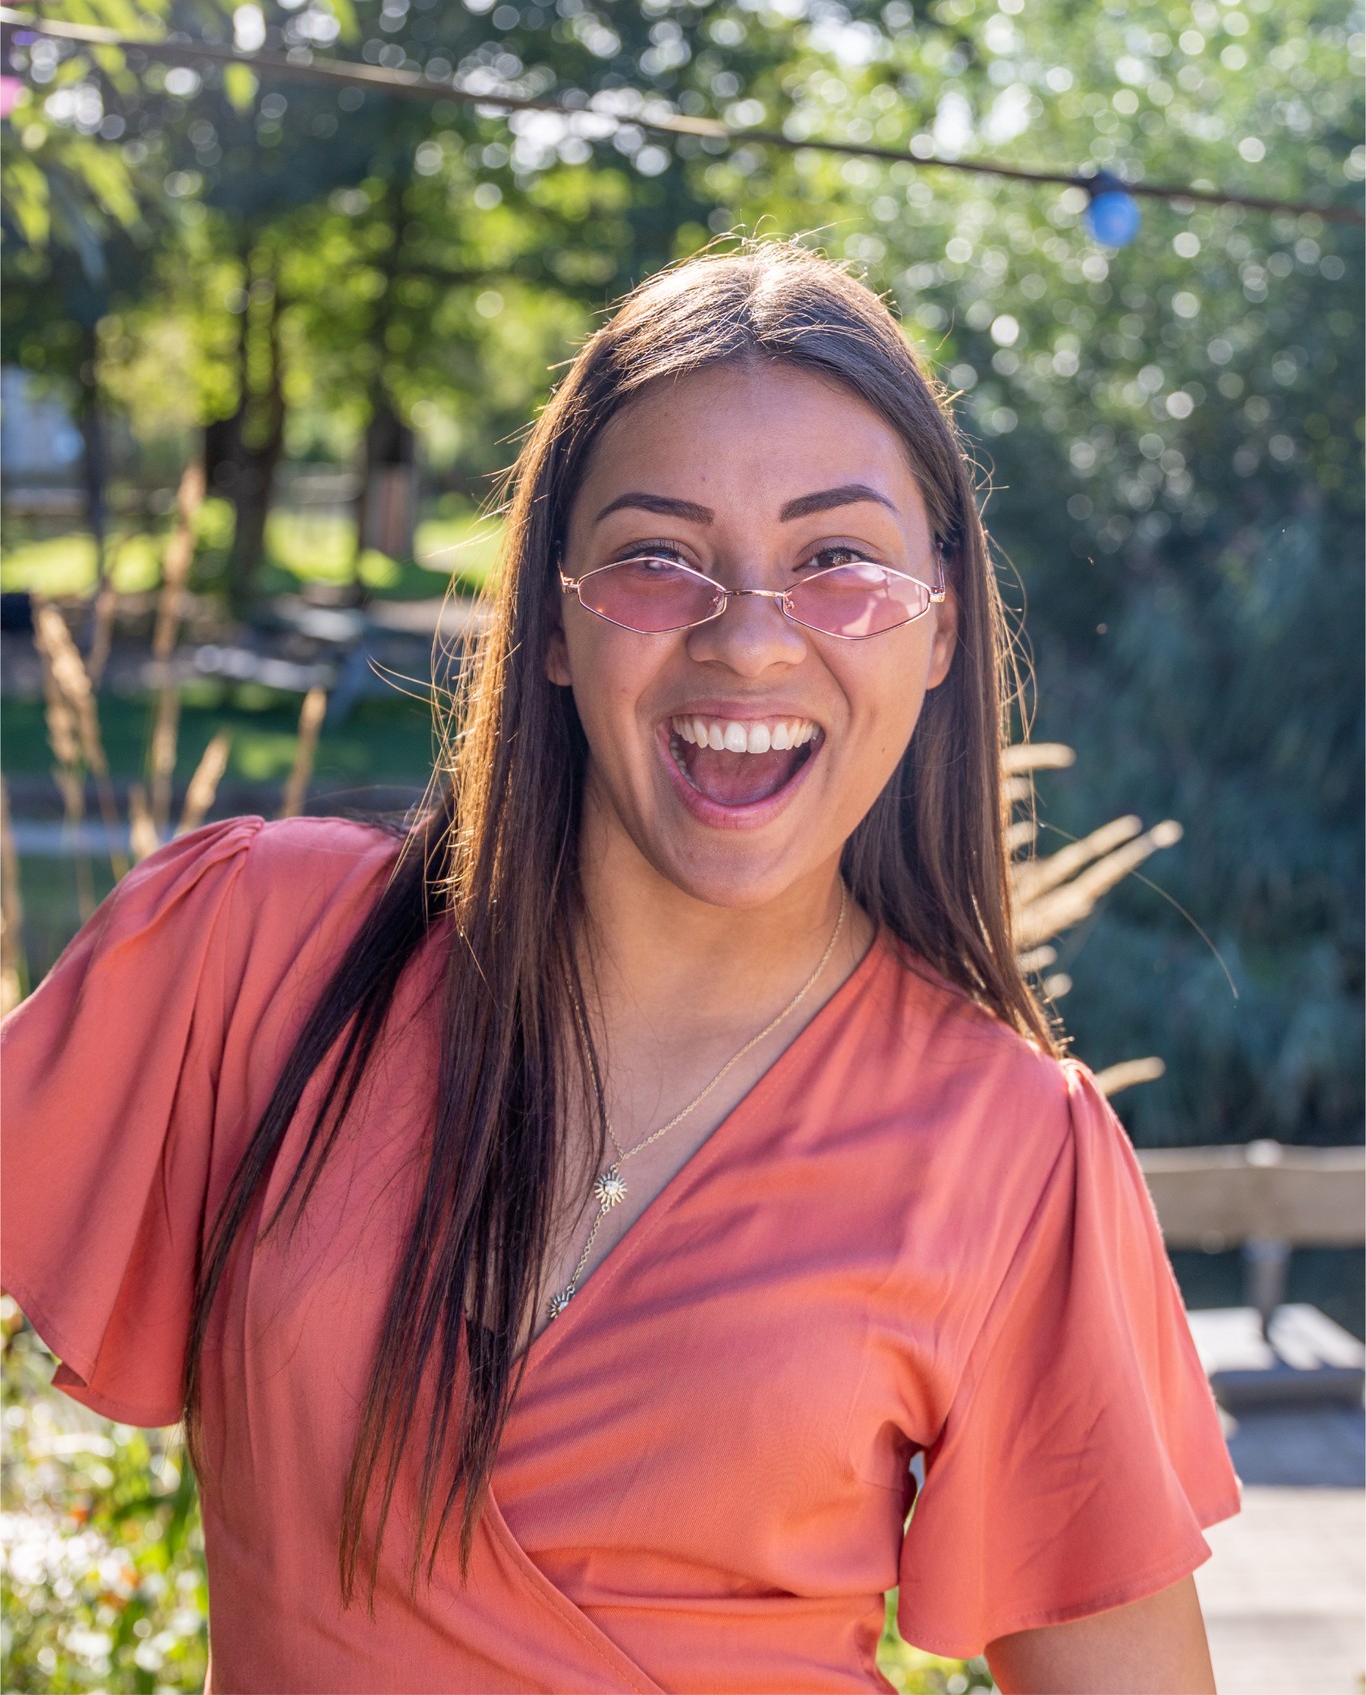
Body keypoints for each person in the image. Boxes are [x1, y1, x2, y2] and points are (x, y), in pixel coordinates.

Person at [2, 242, 1240, 1694]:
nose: (750, 643)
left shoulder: (1014, 1156)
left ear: (939, 630)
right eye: (659, 559)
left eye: (836, 563)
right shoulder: (253, 950)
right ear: (550, 617)